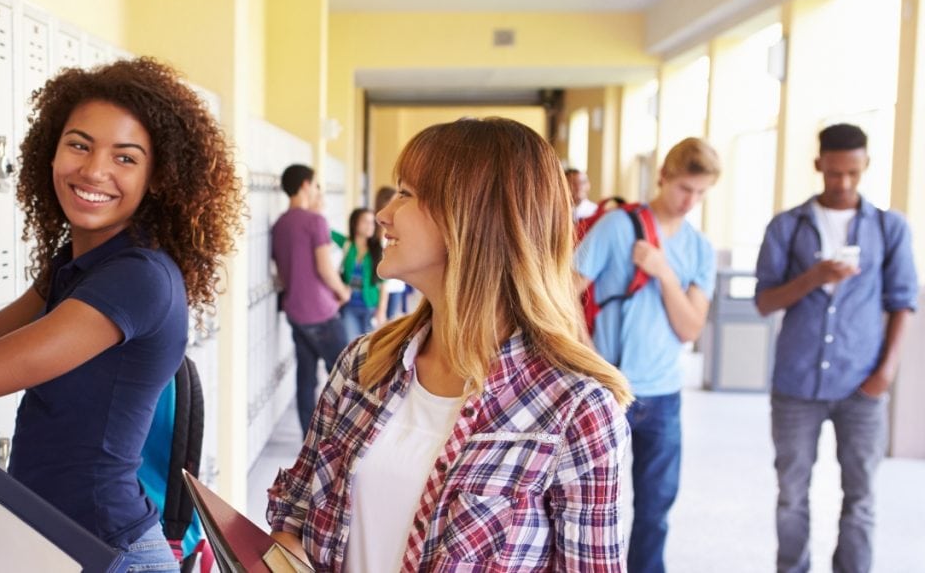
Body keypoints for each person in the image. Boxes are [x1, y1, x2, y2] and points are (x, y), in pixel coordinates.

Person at [0, 57, 243, 571]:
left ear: (158, 177)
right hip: (54, 541)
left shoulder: (138, 278)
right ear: (51, 151)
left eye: (125, 158)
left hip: (110, 554)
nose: (94, 170)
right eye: (79, 145)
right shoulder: (81, 263)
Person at [267, 117, 633, 572]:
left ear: (471, 217)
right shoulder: (363, 364)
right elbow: (295, 512)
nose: (384, 214)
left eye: (406, 193)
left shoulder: (577, 412)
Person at [754, 123, 917, 573]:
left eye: (852, 173)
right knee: (791, 494)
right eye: (833, 174)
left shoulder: (889, 227)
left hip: (861, 386)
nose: (842, 183)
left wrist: (886, 373)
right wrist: (813, 278)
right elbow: (765, 301)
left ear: (865, 166)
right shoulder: (788, 226)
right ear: (818, 165)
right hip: (796, 384)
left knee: (861, 496)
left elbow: (903, 302)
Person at [573, 137, 720, 573]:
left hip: (664, 395)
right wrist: (585, 354)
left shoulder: (699, 249)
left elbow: (690, 327)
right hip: (608, 390)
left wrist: (664, 273)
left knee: (654, 512)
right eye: (683, 189)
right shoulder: (618, 226)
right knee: (589, 508)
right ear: (663, 177)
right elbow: (563, 294)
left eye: (701, 192)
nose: (690, 201)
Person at [271, 164, 350, 434]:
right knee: (347, 379)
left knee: (305, 380)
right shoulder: (316, 221)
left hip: (295, 312)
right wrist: (343, 292)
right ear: (305, 185)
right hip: (321, 312)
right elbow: (325, 269)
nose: (317, 191)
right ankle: (343, 437)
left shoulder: (280, 224)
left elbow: (282, 273)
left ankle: (309, 439)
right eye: (316, 185)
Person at [331, 208, 386, 341]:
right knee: (351, 345)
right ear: (355, 223)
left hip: (370, 307)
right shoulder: (347, 245)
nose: (370, 226)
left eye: (372, 222)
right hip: (350, 307)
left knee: (369, 350)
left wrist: (381, 311)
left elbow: (383, 285)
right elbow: (324, 231)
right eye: (365, 221)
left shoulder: (377, 250)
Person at [374, 186, 409, 320]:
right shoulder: (374, 231)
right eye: (394, 200)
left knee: (390, 322)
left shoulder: (399, 227)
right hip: (379, 286)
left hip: (395, 284)